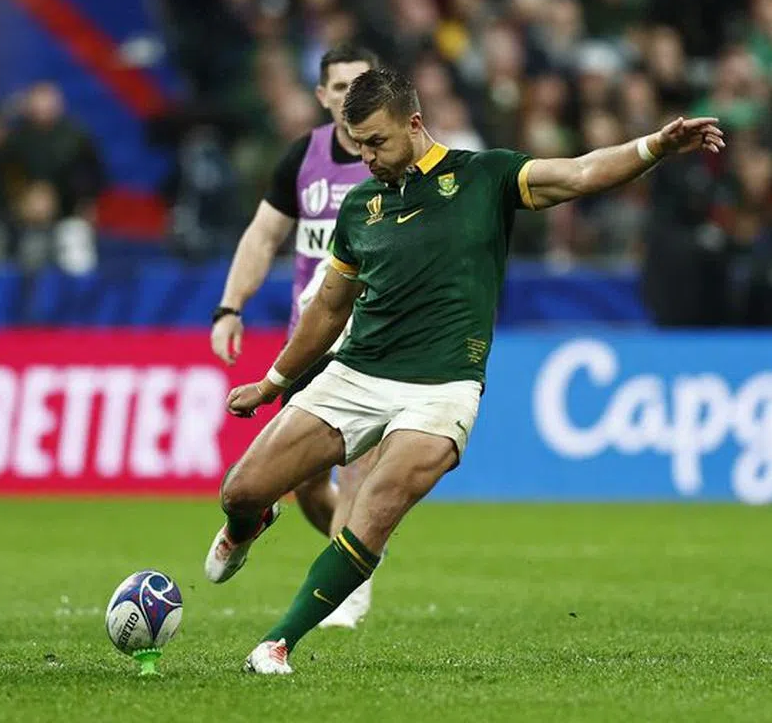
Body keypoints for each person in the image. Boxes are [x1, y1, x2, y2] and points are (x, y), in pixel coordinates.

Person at [207, 67, 725, 674]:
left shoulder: (485, 176)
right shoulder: (360, 208)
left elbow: (581, 173)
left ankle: (278, 644)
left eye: (376, 142)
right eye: (357, 144)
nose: (366, 157)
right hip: (358, 374)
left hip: (443, 389)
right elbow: (328, 307)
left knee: (376, 506)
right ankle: (249, 522)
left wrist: (655, 146)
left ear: (415, 124)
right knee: (239, 490)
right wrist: (272, 383)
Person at [208, 44, 381, 629]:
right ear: (323, 96)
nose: (350, 97)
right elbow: (262, 236)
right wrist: (229, 308)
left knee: (360, 470)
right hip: (311, 340)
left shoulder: (397, 159)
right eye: (339, 87)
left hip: (376, 340)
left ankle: (345, 591)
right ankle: (358, 550)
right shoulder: (303, 158)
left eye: (362, 85)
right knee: (308, 486)